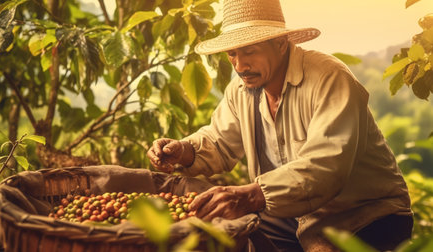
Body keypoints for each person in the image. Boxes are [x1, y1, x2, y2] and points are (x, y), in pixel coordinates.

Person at [147, 0, 413, 251]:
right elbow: (219, 141)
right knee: (226, 236)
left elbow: (326, 168)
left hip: (364, 213)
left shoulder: (330, 78)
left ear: (282, 43)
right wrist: (183, 150)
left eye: (250, 51)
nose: (240, 65)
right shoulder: (241, 88)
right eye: (232, 54)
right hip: (292, 215)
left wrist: (250, 196)